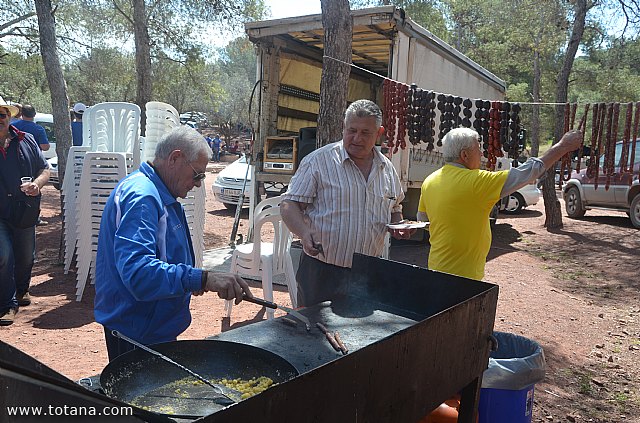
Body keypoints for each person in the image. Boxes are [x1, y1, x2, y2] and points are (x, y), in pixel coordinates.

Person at [94, 126, 253, 360]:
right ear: (175, 158)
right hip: (136, 330)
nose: (198, 184)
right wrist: (202, 278)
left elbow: (162, 256)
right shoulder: (143, 197)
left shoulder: (158, 192)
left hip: (150, 325)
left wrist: (192, 281)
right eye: (197, 174)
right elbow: (139, 274)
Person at [281, 99, 414, 307]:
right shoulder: (319, 161)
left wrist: (398, 225)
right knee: (312, 333)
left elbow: (395, 207)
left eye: (365, 133)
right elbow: (289, 204)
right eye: (351, 130)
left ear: (379, 133)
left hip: (368, 272)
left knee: (363, 336)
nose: (356, 138)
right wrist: (304, 234)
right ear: (344, 127)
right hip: (321, 271)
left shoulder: (386, 168)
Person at [417, 127, 583, 281]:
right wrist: (562, 146)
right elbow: (528, 172)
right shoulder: (476, 181)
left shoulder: (429, 181)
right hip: (463, 277)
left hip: (436, 266)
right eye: (478, 149)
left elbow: (424, 221)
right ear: (465, 155)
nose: (481, 154)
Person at [0, 97, 50, 325]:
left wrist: (37, 184)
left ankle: (21, 290)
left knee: (25, 256)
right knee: (4, 254)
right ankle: (7, 304)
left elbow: (44, 169)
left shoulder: (26, 140)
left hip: (25, 209)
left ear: (9, 117)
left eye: (1, 115)